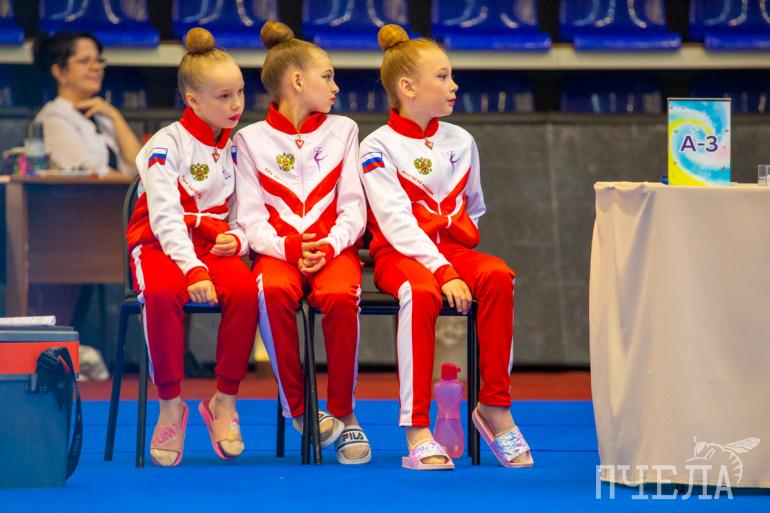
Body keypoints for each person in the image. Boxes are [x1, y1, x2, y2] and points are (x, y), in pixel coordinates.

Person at [359, 24, 534, 470]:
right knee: (420, 293)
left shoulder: (462, 140)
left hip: (451, 252)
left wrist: (453, 259)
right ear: (408, 88)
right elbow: (396, 223)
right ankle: (417, 428)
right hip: (400, 256)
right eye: (442, 77)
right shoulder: (376, 146)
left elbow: (474, 208)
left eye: (451, 75)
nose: (453, 85)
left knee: (497, 275)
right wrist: (443, 271)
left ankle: (494, 407)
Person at [233, 21, 370, 464]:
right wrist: (288, 249)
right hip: (279, 253)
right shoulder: (249, 140)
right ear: (296, 81)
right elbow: (248, 218)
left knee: (341, 296)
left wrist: (328, 246)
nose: (335, 86)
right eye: (327, 76)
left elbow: (354, 207)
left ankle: (345, 413)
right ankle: (299, 408)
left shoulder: (344, 130)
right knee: (270, 290)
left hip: (334, 250)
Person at [125, 28, 258, 467]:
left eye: (240, 92)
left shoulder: (237, 146)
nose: (236, 105)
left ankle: (224, 401)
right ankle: (170, 405)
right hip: (159, 245)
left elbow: (245, 212)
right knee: (162, 294)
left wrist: (238, 239)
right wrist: (193, 269)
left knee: (246, 291)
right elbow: (164, 216)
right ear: (193, 100)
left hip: (211, 247)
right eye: (224, 96)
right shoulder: (165, 145)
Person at [32, 31, 140, 176]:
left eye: (99, 60)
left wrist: (115, 116)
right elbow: (92, 176)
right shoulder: (53, 118)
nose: (96, 67)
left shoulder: (102, 115)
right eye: (84, 61)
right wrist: (139, 186)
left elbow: (141, 167)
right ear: (59, 72)